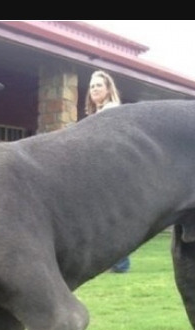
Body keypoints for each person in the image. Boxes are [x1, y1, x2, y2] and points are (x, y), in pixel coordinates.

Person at [85, 70, 131, 273]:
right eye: (92, 86)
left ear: (108, 89)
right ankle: (112, 262)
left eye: (99, 86)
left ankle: (121, 263)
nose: (94, 89)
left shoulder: (112, 110)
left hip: (110, 173)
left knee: (112, 220)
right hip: (99, 172)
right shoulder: (98, 112)